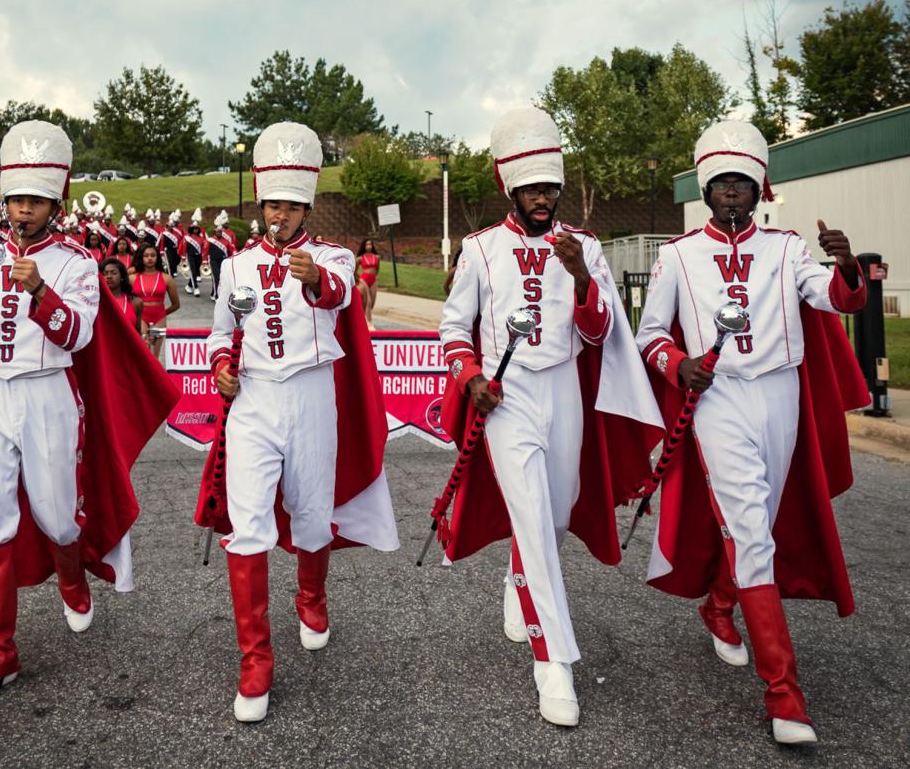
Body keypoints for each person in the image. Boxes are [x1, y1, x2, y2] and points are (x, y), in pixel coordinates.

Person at [634, 121, 868, 746]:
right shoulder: (677, 255)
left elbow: (835, 300)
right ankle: (785, 694)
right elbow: (649, 334)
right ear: (708, 191)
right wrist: (676, 364)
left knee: (756, 525)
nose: (732, 192)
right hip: (717, 399)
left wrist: (846, 268)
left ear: (760, 188)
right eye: (721, 183)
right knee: (747, 527)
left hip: (780, 393)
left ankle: (718, 601)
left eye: (742, 181)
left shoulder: (789, 248)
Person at [0, 120, 178, 710]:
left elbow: (78, 336)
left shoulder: (77, 263)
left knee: (59, 516)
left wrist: (41, 292)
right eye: (16, 198)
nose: (23, 210)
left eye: (35, 200)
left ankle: (71, 573)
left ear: (55, 203)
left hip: (48, 395)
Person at [436, 108, 663, 727]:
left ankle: (518, 579)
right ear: (511, 189)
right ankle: (554, 664)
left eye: (550, 188)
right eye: (531, 189)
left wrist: (582, 277)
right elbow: (454, 329)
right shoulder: (480, 250)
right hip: (506, 400)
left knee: (556, 513)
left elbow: (597, 334)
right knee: (533, 521)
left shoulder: (584, 246)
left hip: (565, 390)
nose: (542, 199)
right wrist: (471, 378)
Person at [196, 121, 399, 724]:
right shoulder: (234, 267)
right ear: (261, 206)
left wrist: (314, 277)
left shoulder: (332, 256)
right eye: (272, 204)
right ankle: (254, 658)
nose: (279, 214)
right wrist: (223, 364)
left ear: (305, 204)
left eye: (290, 204)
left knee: (313, 515)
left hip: (313, 398)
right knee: (249, 523)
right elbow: (220, 332)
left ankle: (311, 594)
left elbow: (340, 295)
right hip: (254, 403)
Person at [132, 242, 180, 361]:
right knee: (144, 350)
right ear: (141, 257)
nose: (149, 258)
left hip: (159, 316)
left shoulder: (166, 278)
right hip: (141, 316)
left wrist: (163, 313)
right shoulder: (132, 277)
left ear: (158, 258)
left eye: (153, 255)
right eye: (146, 255)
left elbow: (176, 304)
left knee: (154, 356)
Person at [102, 259, 142, 334]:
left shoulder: (136, 302)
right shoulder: (96, 302)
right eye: (105, 274)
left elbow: (138, 333)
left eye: (114, 273)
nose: (109, 276)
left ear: (122, 277)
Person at [356, 238, 380, 325]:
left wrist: (374, 277)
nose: (369, 246)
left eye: (370, 244)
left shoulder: (377, 257)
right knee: (368, 302)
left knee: (372, 303)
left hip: (373, 280)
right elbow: (354, 270)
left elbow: (377, 269)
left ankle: (363, 318)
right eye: (367, 244)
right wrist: (358, 279)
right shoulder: (359, 258)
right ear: (364, 246)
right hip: (364, 279)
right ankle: (369, 323)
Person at [182, 220, 208, 298]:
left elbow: (204, 247)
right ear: (191, 229)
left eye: (196, 228)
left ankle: (189, 285)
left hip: (198, 257)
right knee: (193, 272)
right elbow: (184, 247)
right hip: (190, 256)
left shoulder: (201, 238)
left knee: (196, 272)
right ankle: (196, 288)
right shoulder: (187, 238)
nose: (195, 230)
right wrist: (183, 258)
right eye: (194, 228)